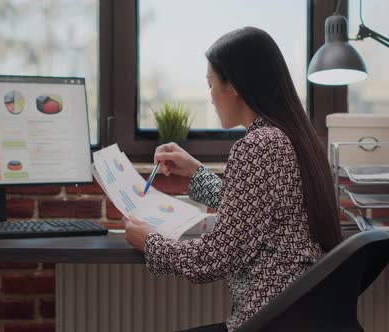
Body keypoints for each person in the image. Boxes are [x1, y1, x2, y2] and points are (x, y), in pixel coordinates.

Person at [122, 27, 343, 332]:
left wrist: (150, 243)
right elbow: (255, 208)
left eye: (211, 84)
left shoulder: (257, 145)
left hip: (270, 318)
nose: (210, 97)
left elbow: (214, 258)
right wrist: (196, 171)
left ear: (234, 85)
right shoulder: (290, 136)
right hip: (300, 312)